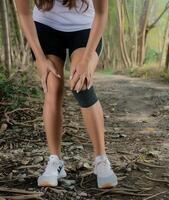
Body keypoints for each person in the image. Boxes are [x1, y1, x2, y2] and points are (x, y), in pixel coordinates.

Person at [15, 0, 118, 189]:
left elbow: (102, 14)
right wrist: (40, 58)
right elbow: (23, 13)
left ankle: (101, 160)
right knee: (52, 86)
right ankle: (56, 161)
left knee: (82, 85)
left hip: (86, 28)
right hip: (46, 28)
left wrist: (87, 60)